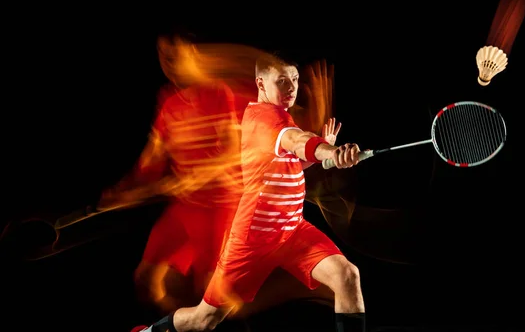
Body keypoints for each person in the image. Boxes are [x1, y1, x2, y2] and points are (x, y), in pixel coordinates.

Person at [100, 35, 343, 321]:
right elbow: (152, 158)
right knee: (146, 280)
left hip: (221, 207)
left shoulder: (221, 95)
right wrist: (127, 188)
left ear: (194, 56)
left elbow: (238, 152)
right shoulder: (168, 103)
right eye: (164, 58)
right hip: (186, 208)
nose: (171, 64)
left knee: (217, 299)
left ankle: (290, 293)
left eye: (177, 55)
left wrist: (194, 178)